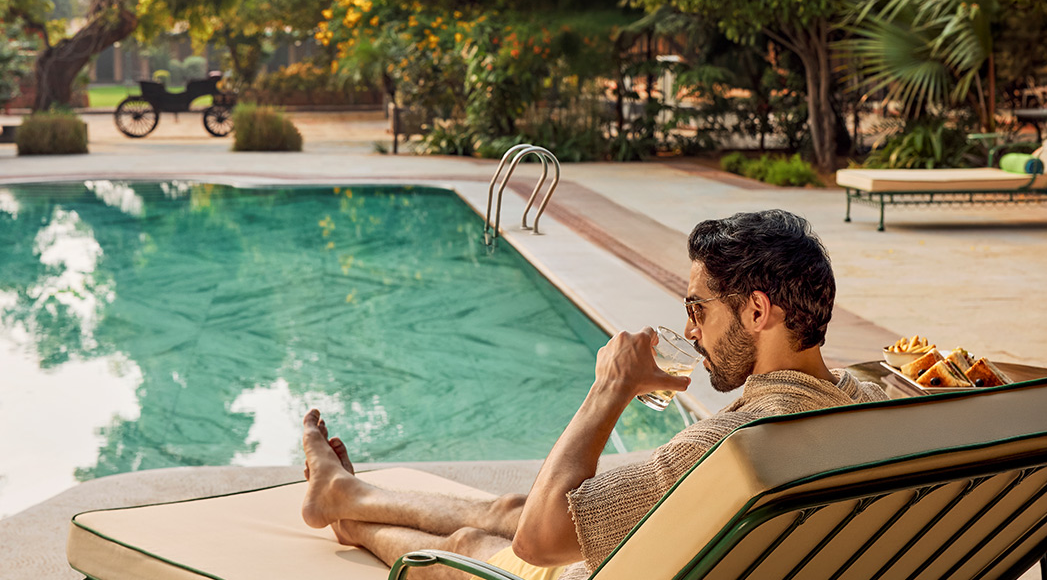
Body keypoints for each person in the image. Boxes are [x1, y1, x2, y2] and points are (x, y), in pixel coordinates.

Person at [299, 209, 888, 580]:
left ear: (757, 310)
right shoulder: (865, 402)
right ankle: (345, 493)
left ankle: (351, 522)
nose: (689, 330)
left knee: (474, 543)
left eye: (697, 309)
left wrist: (608, 390)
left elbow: (539, 542)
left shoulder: (737, 442)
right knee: (513, 508)